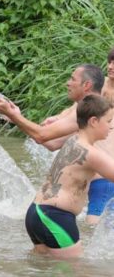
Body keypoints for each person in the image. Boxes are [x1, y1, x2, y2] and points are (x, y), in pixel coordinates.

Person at [25, 95, 114, 259]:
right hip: (55, 217)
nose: (110, 127)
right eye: (109, 122)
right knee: (75, 271)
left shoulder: (73, 140)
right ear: (94, 121)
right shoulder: (90, 153)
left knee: (42, 267)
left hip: (36, 212)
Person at [0, 64, 104, 147]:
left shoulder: (89, 109)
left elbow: (41, 135)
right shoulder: (91, 109)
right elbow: (52, 143)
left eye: (72, 79)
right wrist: (16, 117)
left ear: (87, 85)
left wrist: (13, 115)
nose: (67, 83)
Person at [85, 49, 114, 224]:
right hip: (99, 168)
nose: (110, 66)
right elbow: (78, 109)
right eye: (110, 62)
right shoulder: (101, 86)